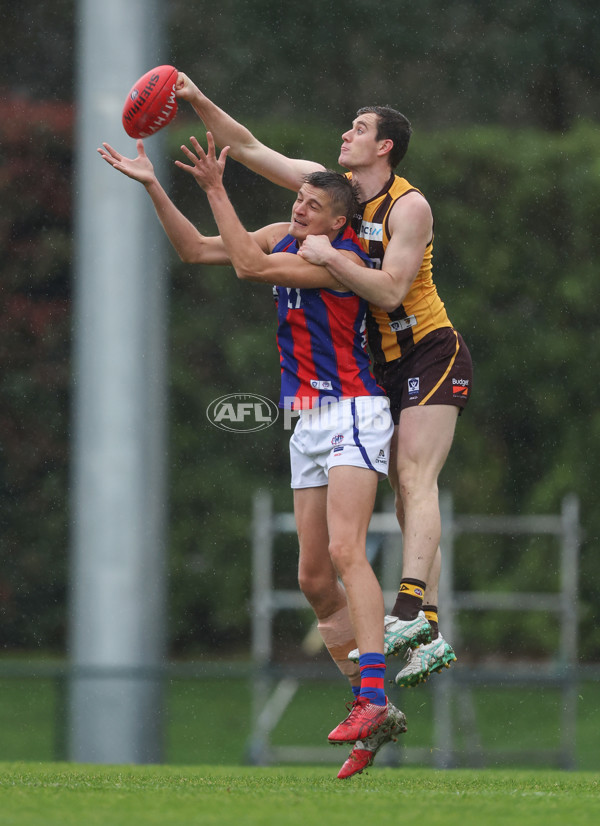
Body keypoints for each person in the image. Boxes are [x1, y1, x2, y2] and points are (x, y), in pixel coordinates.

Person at [98, 133, 407, 778]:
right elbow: (198, 250)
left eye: (312, 206)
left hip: (353, 408)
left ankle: (374, 697)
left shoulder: (339, 257)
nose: (298, 211)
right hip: (307, 421)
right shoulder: (284, 233)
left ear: (338, 221)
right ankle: (368, 704)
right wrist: (156, 186)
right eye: (298, 199)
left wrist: (216, 186)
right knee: (314, 579)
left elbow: (249, 267)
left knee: (350, 551)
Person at [172, 76, 472, 698]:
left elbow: (389, 291)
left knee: (415, 479)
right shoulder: (333, 193)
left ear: (385, 147)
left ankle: (412, 610)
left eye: (359, 128)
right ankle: (432, 631)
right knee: (399, 489)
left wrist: (328, 257)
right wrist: (198, 101)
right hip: (379, 364)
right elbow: (250, 148)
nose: (346, 133)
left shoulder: (407, 207)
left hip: (429, 347)